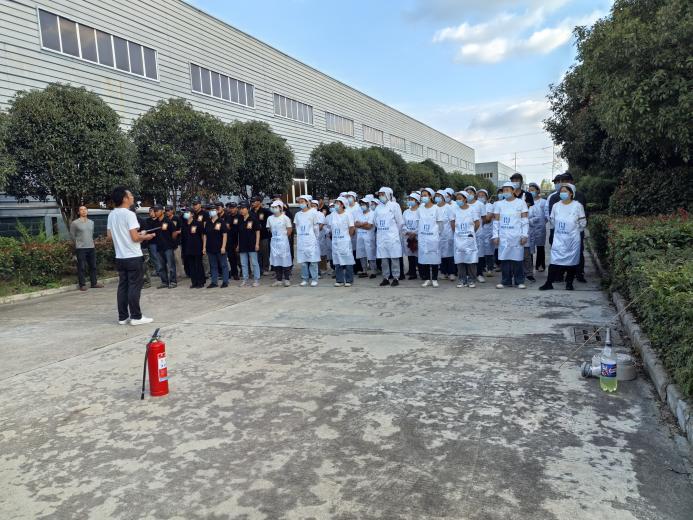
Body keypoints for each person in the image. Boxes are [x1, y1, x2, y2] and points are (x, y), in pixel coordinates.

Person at [106, 186, 155, 325]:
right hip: (133, 256)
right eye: (131, 195)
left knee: (123, 286)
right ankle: (136, 317)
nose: (132, 197)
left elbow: (109, 236)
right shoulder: (129, 214)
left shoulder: (111, 214)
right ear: (124, 198)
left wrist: (125, 237)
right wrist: (146, 236)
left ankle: (122, 317)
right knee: (134, 286)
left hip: (120, 257)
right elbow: (135, 238)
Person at [540, 183, 587, 291]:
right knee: (554, 261)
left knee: (572, 262)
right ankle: (548, 283)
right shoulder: (556, 206)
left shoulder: (577, 206)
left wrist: (573, 231)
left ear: (571, 193)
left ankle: (569, 283)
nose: (562, 193)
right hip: (559, 239)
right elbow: (552, 221)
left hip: (572, 239)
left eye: (565, 191)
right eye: (561, 191)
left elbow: (583, 223)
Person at [492, 181, 529, 289]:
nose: (505, 192)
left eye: (507, 190)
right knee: (504, 259)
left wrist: (524, 235)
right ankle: (505, 281)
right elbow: (496, 221)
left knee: (517, 259)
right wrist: (495, 235)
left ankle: (519, 281)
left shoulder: (521, 203)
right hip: (504, 236)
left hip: (516, 236)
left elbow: (525, 220)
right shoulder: (499, 204)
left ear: (513, 191)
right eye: (504, 190)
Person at [374, 187, 404, 287]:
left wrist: (394, 233)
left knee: (394, 258)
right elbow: (375, 221)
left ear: (388, 194)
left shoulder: (395, 206)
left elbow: (400, 222)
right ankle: (385, 278)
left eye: (382, 194)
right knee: (384, 259)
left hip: (392, 237)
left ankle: (396, 278)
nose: (380, 196)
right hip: (381, 237)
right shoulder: (378, 207)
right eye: (379, 194)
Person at [70, 205, 103, 291]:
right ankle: (82, 285)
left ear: (87, 211)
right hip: (81, 248)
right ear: (78, 212)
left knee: (93, 266)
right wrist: (78, 243)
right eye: (81, 209)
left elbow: (91, 234)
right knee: (81, 267)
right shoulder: (75, 223)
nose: (84, 211)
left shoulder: (91, 222)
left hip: (91, 247)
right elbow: (72, 236)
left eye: (85, 209)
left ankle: (94, 283)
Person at [452, 191, 480, 288]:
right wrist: (457, 233)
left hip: (469, 239)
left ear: (465, 199)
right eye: (457, 199)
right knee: (460, 259)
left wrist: (471, 233)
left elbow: (477, 223)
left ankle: (471, 280)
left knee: (471, 259)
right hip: (459, 238)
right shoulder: (455, 210)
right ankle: (462, 279)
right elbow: (453, 223)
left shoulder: (472, 209)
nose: (458, 200)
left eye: (460, 198)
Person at [417, 188, 443, 287]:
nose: (423, 197)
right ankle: (427, 279)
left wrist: (436, 234)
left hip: (433, 238)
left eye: (425, 195)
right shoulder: (420, 208)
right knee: (425, 259)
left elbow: (440, 224)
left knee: (434, 258)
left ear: (430, 196)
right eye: (422, 195)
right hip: (423, 237)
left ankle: (435, 279)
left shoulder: (436, 208)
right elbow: (418, 222)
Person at [294, 195, 322, 287]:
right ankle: (305, 279)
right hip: (302, 240)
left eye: (302, 201)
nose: (301, 203)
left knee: (313, 261)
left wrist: (315, 238)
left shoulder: (313, 213)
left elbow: (316, 227)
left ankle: (314, 279)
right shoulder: (297, 214)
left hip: (311, 239)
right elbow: (297, 227)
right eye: (299, 202)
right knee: (303, 262)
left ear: (307, 202)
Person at [330, 196, 356, 287]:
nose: (335, 205)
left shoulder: (348, 214)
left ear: (342, 204)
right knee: (337, 261)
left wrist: (348, 237)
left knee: (347, 260)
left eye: (337, 203)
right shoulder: (333, 214)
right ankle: (339, 280)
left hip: (345, 241)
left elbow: (352, 227)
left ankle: (349, 280)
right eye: (335, 203)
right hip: (336, 241)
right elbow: (331, 227)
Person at [464, 186, 488, 283]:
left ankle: (479, 274)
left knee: (479, 254)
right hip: (466, 234)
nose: (469, 194)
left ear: (475, 194)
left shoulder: (480, 204)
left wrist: (478, 227)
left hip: (478, 233)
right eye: (467, 192)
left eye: (470, 192)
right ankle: (468, 274)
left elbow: (484, 219)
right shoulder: (463, 205)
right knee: (468, 254)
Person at [267, 200, 293, 287]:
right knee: (276, 261)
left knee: (285, 260)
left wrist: (283, 237)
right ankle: (278, 280)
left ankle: (287, 279)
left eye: (276, 207)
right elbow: (269, 229)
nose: (274, 209)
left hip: (283, 242)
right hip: (274, 242)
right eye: (273, 207)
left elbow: (289, 230)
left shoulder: (285, 218)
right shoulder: (270, 218)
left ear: (281, 208)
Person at [202, 204, 229, 288]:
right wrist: (204, 247)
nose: (211, 212)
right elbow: (205, 235)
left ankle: (225, 281)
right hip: (210, 247)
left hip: (220, 247)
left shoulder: (221, 221)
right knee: (213, 266)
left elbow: (225, 235)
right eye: (210, 210)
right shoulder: (208, 222)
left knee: (223, 265)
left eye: (213, 210)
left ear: (217, 211)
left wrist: (223, 247)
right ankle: (214, 282)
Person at [236, 201, 261, 287]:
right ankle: (245, 279)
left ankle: (256, 279)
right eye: (240, 209)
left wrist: (257, 243)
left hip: (252, 244)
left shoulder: (253, 218)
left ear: (247, 209)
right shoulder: (239, 219)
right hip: (242, 244)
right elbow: (238, 233)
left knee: (254, 263)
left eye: (243, 208)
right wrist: (238, 244)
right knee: (243, 263)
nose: (241, 210)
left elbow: (257, 231)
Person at [152, 204, 177, 288]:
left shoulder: (168, 221)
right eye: (154, 211)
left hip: (168, 247)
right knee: (161, 266)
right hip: (159, 247)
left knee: (171, 265)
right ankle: (164, 282)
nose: (156, 212)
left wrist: (171, 242)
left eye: (157, 210)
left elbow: (174, 233)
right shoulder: (155, 222)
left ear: (162, 211)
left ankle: (173, 282)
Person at [180, 207, 205, 288]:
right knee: (191, 266)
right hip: (187, 248)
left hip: (197, 247)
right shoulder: (184, 225)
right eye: (185, 212)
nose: (185, 214)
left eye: (187, 212)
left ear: (192, 214)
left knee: (198, 265)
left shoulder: (198, 223)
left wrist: (204, 247)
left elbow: (203, 235)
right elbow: (183, 238)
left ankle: (200, 282)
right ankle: (194, 282)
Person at [435, 189, 455, 281]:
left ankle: (451, 272)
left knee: (449, 254)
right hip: (438, 235)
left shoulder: (448, 207)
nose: (437, 198)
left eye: (439, 196)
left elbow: (452, 221)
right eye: (436, 196)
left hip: (448, 234)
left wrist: (454, 233)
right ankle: (443, 272)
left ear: (443, 197)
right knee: (441, 254)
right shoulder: (434, 207)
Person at [355, 195, 377, 279]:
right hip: (360, 237)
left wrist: (360, 224)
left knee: (371, 254)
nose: (362, 206)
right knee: (362, 254)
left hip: (369, 237)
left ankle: (373, 271)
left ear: (368, 204)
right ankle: (364, 271)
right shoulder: (359, 213)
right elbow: (356, 224)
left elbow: (369, 226)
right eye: (361, 204)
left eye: (364, 204)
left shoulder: (372, 213)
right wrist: (364, 223)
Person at [528, 183, 548, 272]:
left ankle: (540, 265)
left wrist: (542, 223)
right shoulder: (526, 202)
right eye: (529, 190)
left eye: (532, 190)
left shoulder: (543, 202)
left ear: (537, 191)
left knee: (540, 247)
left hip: (540, 228)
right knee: (529, 247)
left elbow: (546, 215)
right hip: (529, 228)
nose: (530, 192)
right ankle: (529, 265)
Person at [250, 195, 272, 275]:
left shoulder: (265, 211)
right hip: (254, 235)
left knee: (265, 252)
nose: (253, 203)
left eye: (254, 201)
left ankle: (265, 268)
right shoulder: (251, 211)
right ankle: (259, 268)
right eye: (252, 201)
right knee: (257, 253)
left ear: (259, 202)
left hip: (264, 235)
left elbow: (272, 218)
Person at [476, 189, 496, 278]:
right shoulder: (476, 205)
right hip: (479, 232)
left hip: (488, 232)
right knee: (480, 252)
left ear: (486, 197)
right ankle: (481, 268)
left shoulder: (490, 206)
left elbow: (487, 219)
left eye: (482, 195)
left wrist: (478, 219)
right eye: (479, 196)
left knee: (488, 252)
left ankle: (490, 268)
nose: (481, 197)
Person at [402, 193, 421, 280]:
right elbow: (403, 224)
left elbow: (422, 224)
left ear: (417, 201)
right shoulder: (406, 212)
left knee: (419, 255)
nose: (410, 201)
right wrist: (408, 232)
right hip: (408, 237)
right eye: (409, 199)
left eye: (412, 199)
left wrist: (415, 233)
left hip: (418, 236)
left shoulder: (420, 211)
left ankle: (422, 272)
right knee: (410, 255)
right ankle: (412, 272)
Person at [165, 205, 184, 281]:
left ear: (172, 211)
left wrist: (176, 232)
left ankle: (179, 275)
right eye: (166, 211)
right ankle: (172, 275)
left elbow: (182, 229)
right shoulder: (165, 219)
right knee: (170, 260)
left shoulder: (177, 218)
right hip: (168, 242)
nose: (167, 212)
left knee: (177, 259)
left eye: (168, 210)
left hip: (176, 241)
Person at [224, 202, 240, 280]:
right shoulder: (228, 217)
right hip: (229, 240)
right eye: (230, 208)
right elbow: (226, 227)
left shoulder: (240, 216)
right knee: (231, 258)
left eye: (233, 207)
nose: (232, 209)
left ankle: (246, 271)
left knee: (239, 257)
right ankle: (234, 273)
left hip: (238, 239)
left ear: (236, 208)